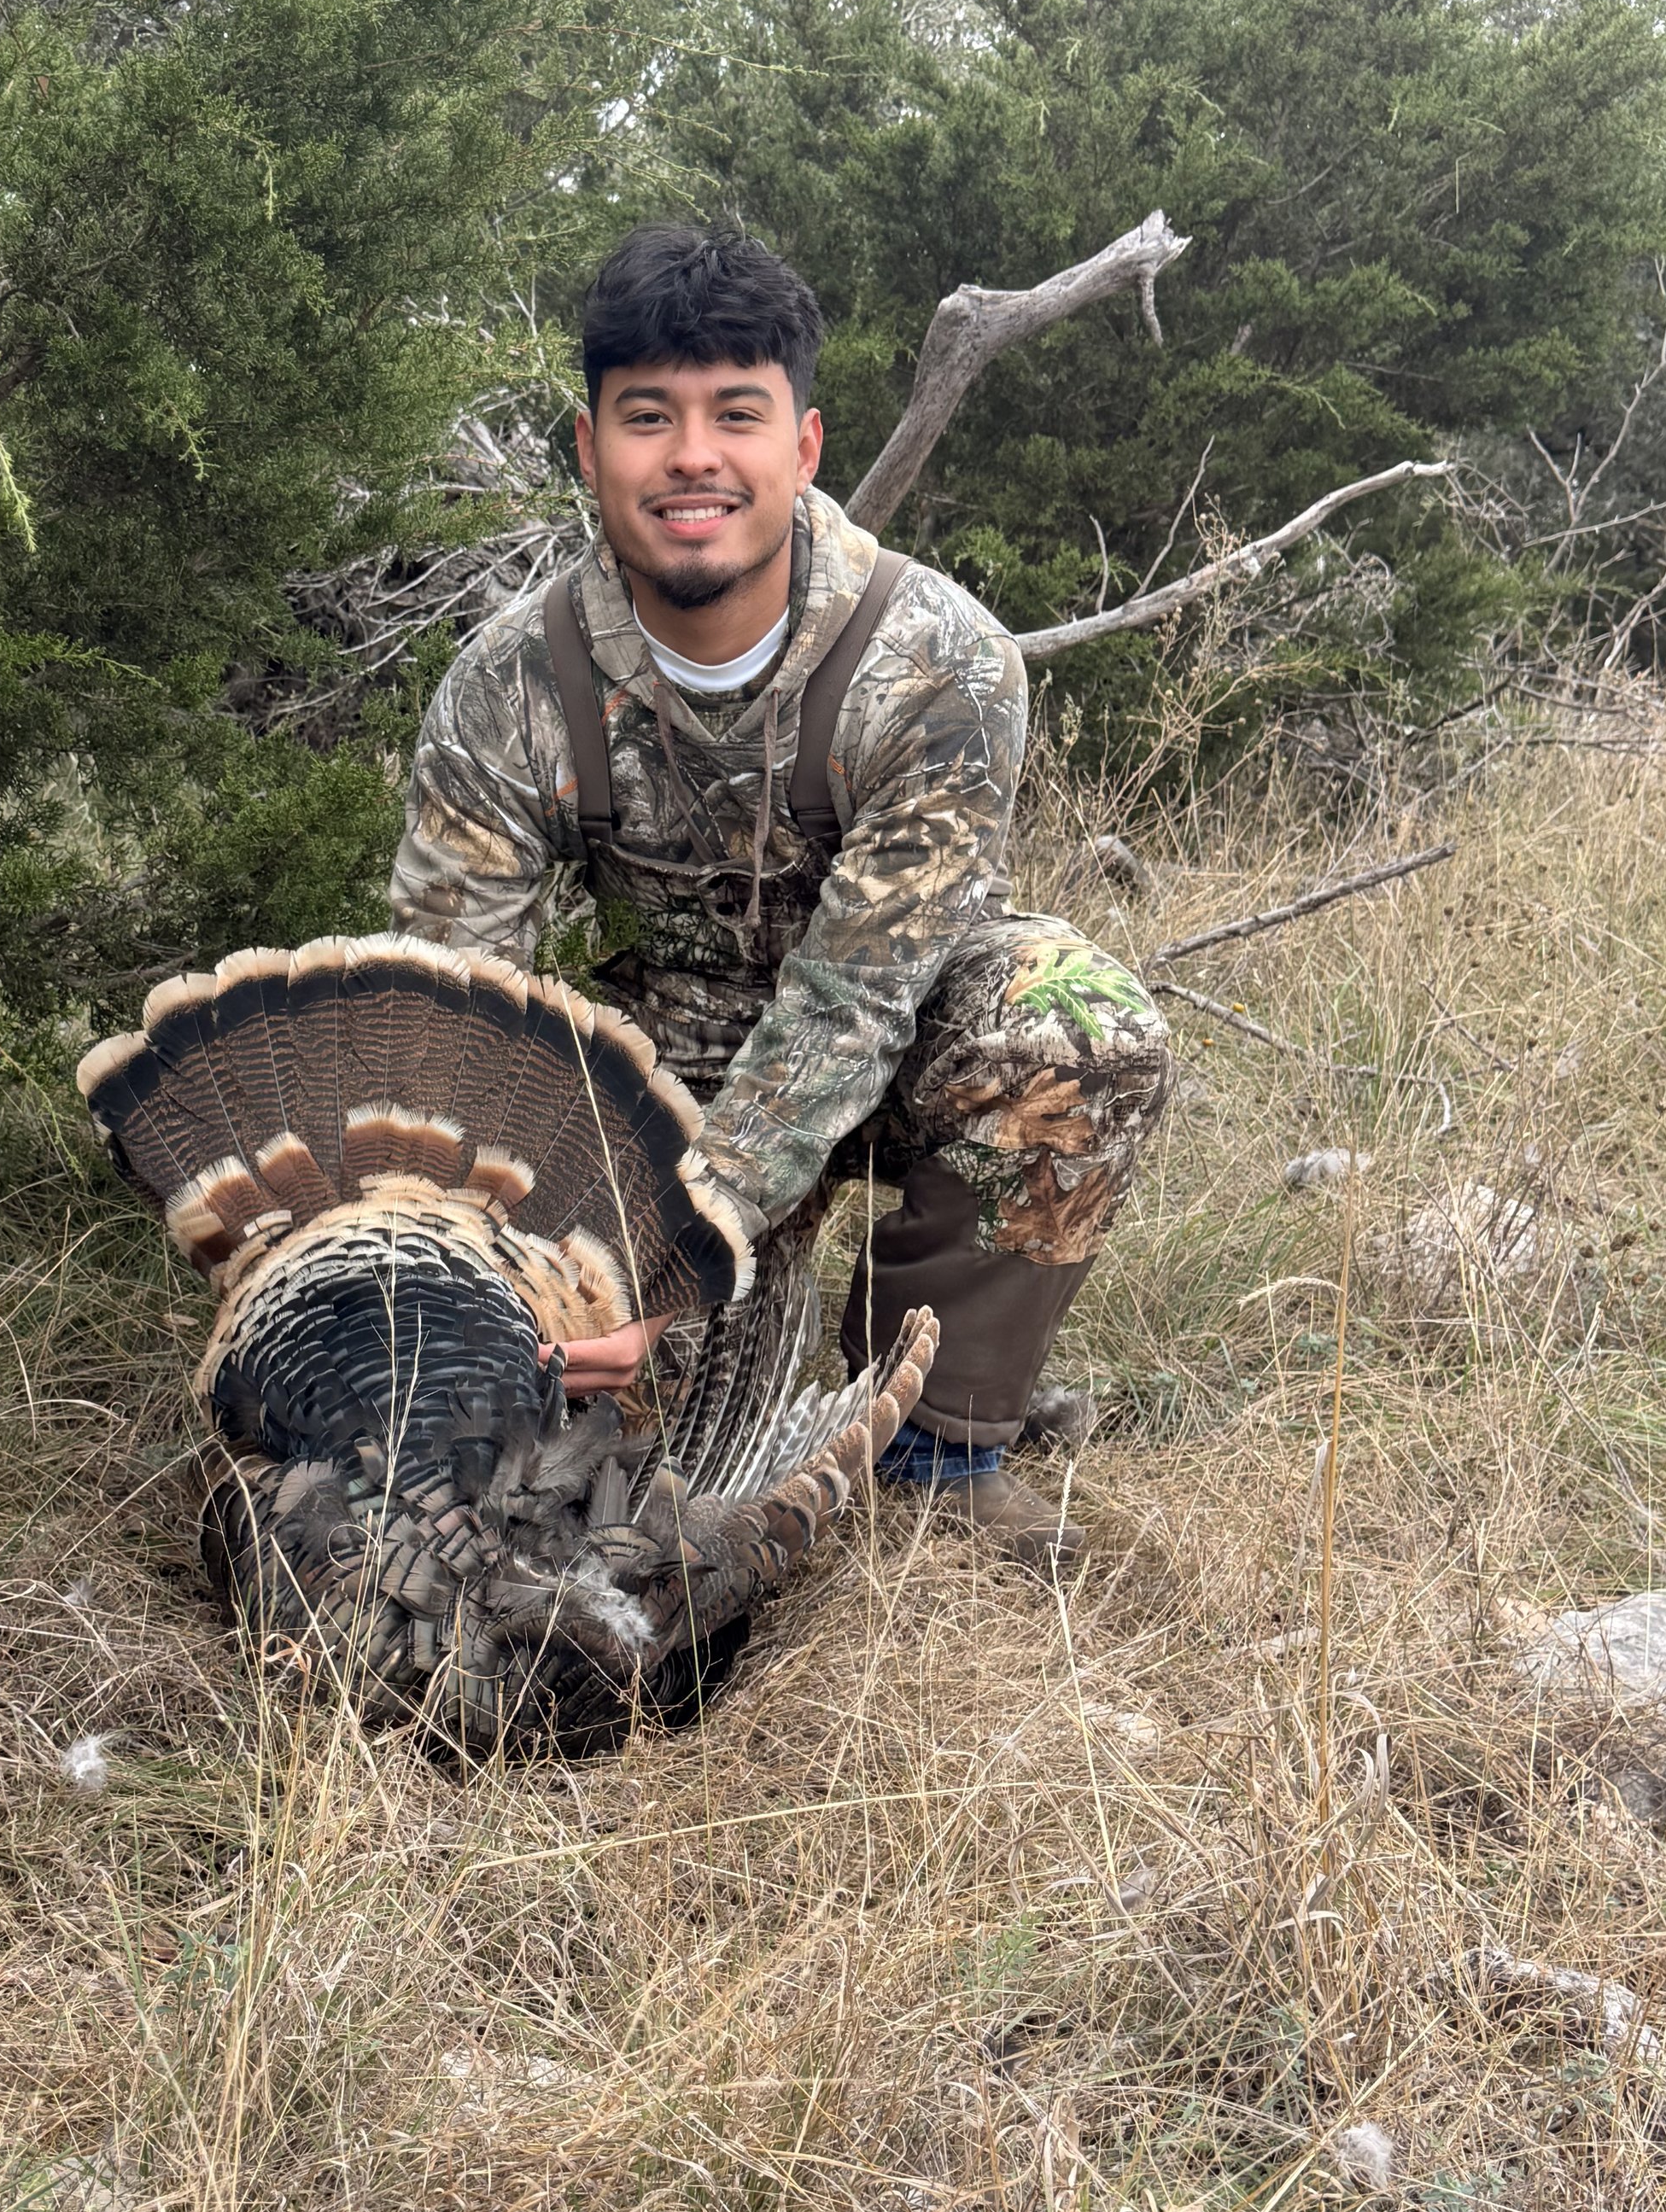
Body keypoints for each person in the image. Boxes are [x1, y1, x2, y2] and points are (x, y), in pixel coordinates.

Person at [389, 224, 1172, 1561]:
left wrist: (665, 1267)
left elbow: (855, 1000)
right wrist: (533, 1269)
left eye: (735, 413)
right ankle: (749, 1374)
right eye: (648, 417)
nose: (692, 455)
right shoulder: (510, 684)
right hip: (663, 1061)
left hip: (893, 1027)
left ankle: (936, 1436)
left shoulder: (940, 661)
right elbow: (449, 1011)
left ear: (803, 446)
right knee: (599, 1474)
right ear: (591, 451)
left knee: (1077, 1030)